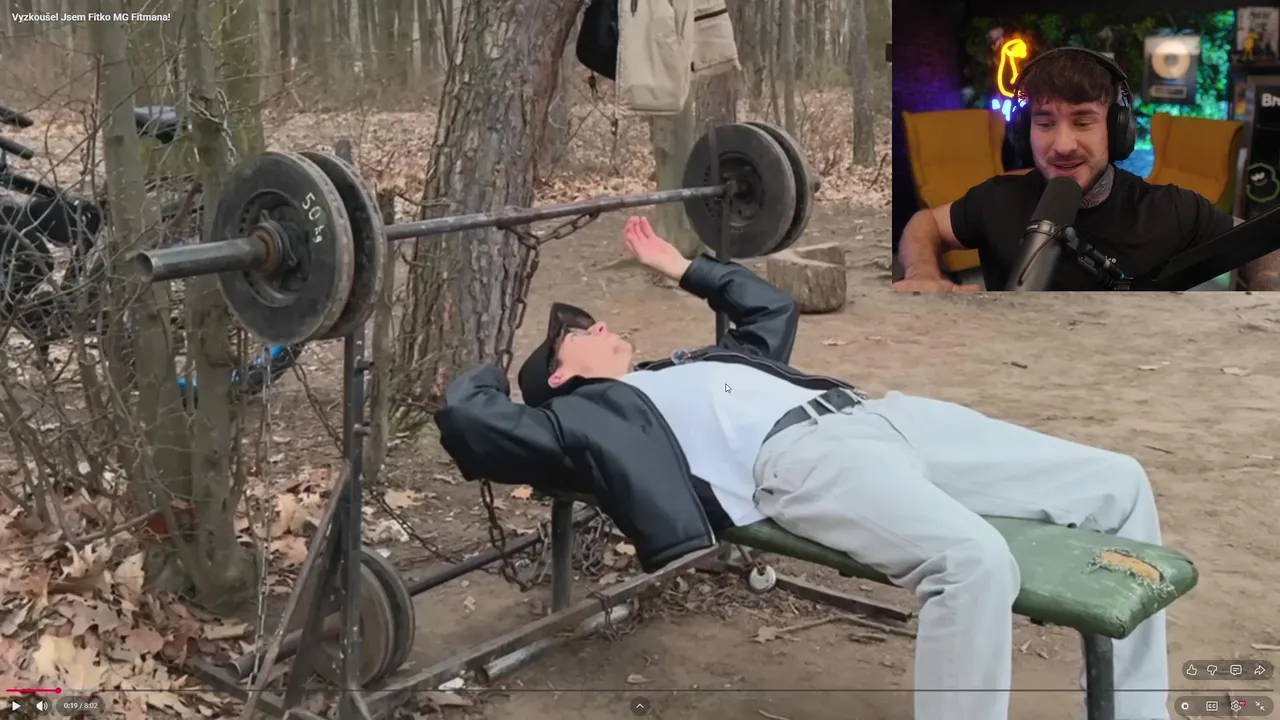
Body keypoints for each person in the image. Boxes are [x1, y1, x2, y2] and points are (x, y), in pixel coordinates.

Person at [435, 216, 1171, 720]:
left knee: (1118, 481)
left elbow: (770, 310)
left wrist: (683, 267)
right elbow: (472, 421)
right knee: (973, 563)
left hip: (884, 416)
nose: (595, 323)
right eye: (573, 332)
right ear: (559, 378)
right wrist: (490, 366)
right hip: (801, 463)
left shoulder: (686, 366)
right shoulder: (590, 420)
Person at [893, 46, 1280, 292]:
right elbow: (925, 224)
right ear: (1024, 132)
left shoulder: (1169, 208)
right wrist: (922, 271)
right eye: (1045, 123)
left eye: (1083, 121)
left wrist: (1268, 290)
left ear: (1118, 130)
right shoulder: (995, 199)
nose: (1062, 145)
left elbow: (1260, 244)